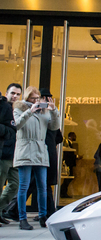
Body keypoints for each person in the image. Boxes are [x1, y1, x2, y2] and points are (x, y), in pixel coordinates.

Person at [13, 86, 60, 230]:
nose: (36, 101)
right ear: (27, 98)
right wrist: (30, 110)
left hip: (40, 151)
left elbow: (54, 127)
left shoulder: (44, 111)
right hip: (25, 150)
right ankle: (22, 218)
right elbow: (18, 125)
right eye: (33, 98)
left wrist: (54, 111)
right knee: (24, 186)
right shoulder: (18, 109)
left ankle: (43, 216)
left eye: (37, 98)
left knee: (42, 186)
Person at [0, 83, 21, 224]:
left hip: (14, 154)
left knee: (15, 184)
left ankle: (1, 208)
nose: (15, 96)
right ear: (6, 93)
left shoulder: (16, 109)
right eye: (13, 93)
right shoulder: (3, 106)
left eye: (18, 94)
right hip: (3, 153)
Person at [60, 131, 78, 198]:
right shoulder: (67, 143)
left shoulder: (70, 143)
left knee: (69, 178)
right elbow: (68, 154)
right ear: (70, 136)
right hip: (68, 163)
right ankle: (62, 192)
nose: (75, 137)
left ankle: (63, 191)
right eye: (74, 136)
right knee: (68, 178)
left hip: (70, 163)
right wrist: (76, 157)